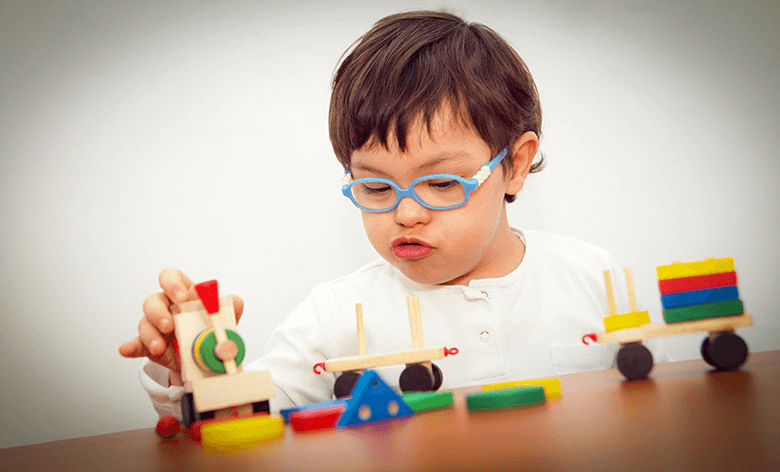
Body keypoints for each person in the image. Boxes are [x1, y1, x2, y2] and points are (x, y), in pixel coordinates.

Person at [120, 10, 668, 419]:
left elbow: (656, 409)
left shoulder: (596, 279)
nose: (406, 213)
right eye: (376, 187)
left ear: (516, 166)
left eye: (441, 182)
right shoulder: (336, 316)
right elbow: (241, 423)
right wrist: (193, 369)